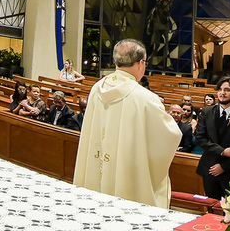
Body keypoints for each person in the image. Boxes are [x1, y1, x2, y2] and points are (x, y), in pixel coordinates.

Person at [73, 38, 182, 208]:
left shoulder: (97, 88)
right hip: (126, 173)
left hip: (98, 162)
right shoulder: (145, 98)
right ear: (140, 63)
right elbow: (172, 135)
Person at [194, 76, 230, 200]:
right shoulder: (206, 112)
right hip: (210, 167)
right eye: (220, 89)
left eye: (226, 90)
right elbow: (200, 138)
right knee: (211, 205)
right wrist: (221, 151)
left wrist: (224, 167)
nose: (222, 93)